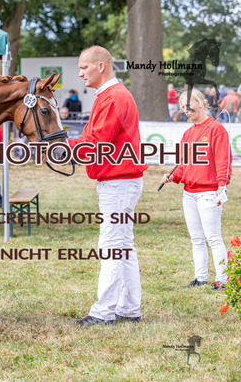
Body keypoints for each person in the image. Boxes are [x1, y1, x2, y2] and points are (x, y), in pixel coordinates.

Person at [68, 46, 147, 326]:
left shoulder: (113, 97)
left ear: (101, 66)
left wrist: (62, 147)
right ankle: (129, 308)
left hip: (119, 181)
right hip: (120, 179)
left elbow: (97, 141)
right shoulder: (111, 95)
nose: (80, 73)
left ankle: (104, 312)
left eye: (84, 67)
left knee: (112, 245)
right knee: (123, 245)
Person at [160, 89, 232, 290]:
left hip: (209, 192)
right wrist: (173, 176)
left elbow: (223, 161)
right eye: (182, 106)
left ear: (201, 102)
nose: (186, 110)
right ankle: (200, 278)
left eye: (188, 105)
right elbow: (183, 165)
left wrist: (222, 184)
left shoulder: (217, 130)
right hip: (189, 193)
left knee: (213, 237)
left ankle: (222, 280)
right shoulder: (188, 133)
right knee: (196, 238)